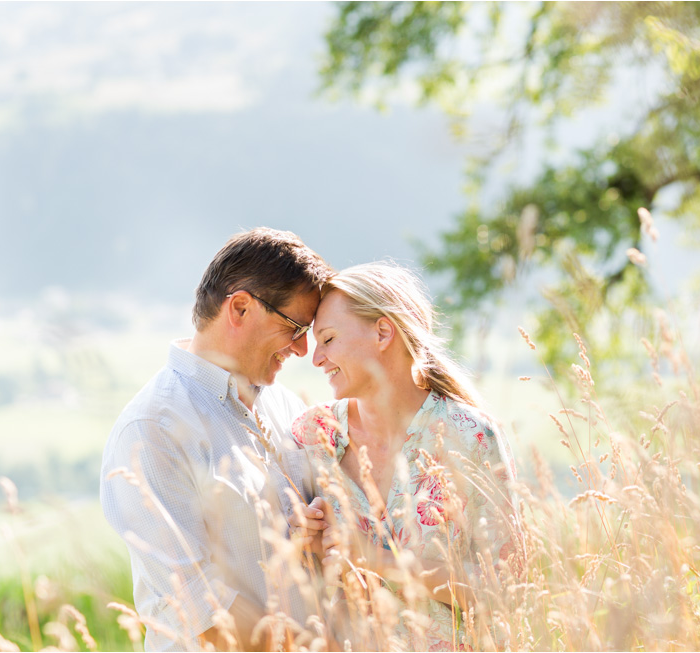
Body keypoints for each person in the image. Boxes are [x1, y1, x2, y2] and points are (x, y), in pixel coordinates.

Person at [100, 227, 332, 651]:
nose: (302, 350)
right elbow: (198, 606)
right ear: (240, 308)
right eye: (295, 327)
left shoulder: (288, 408)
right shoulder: (152, 430)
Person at [289, 262, 518, 651]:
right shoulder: (312, 436)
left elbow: (505, 592)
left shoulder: (470, 437)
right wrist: (302, 538)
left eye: (327, 339)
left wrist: (375, 557)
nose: (316, 359)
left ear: (383, 332)